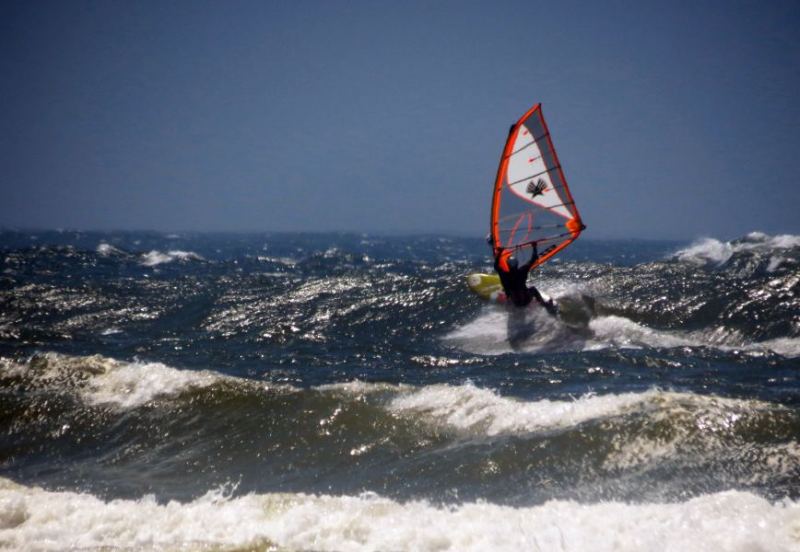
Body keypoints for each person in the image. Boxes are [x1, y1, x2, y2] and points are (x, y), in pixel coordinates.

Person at [494, 245, 557, 315]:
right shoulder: (523, 270)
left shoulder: (505, 275)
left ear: (508, 265)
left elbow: (496, 266)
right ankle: (544, 304)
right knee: (533, 289)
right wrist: (534, 247)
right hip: (526, 300)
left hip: (516, 303)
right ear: (517, 264)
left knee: (508, 291)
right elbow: (534, 259)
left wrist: (499, 253)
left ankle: (510, 309)